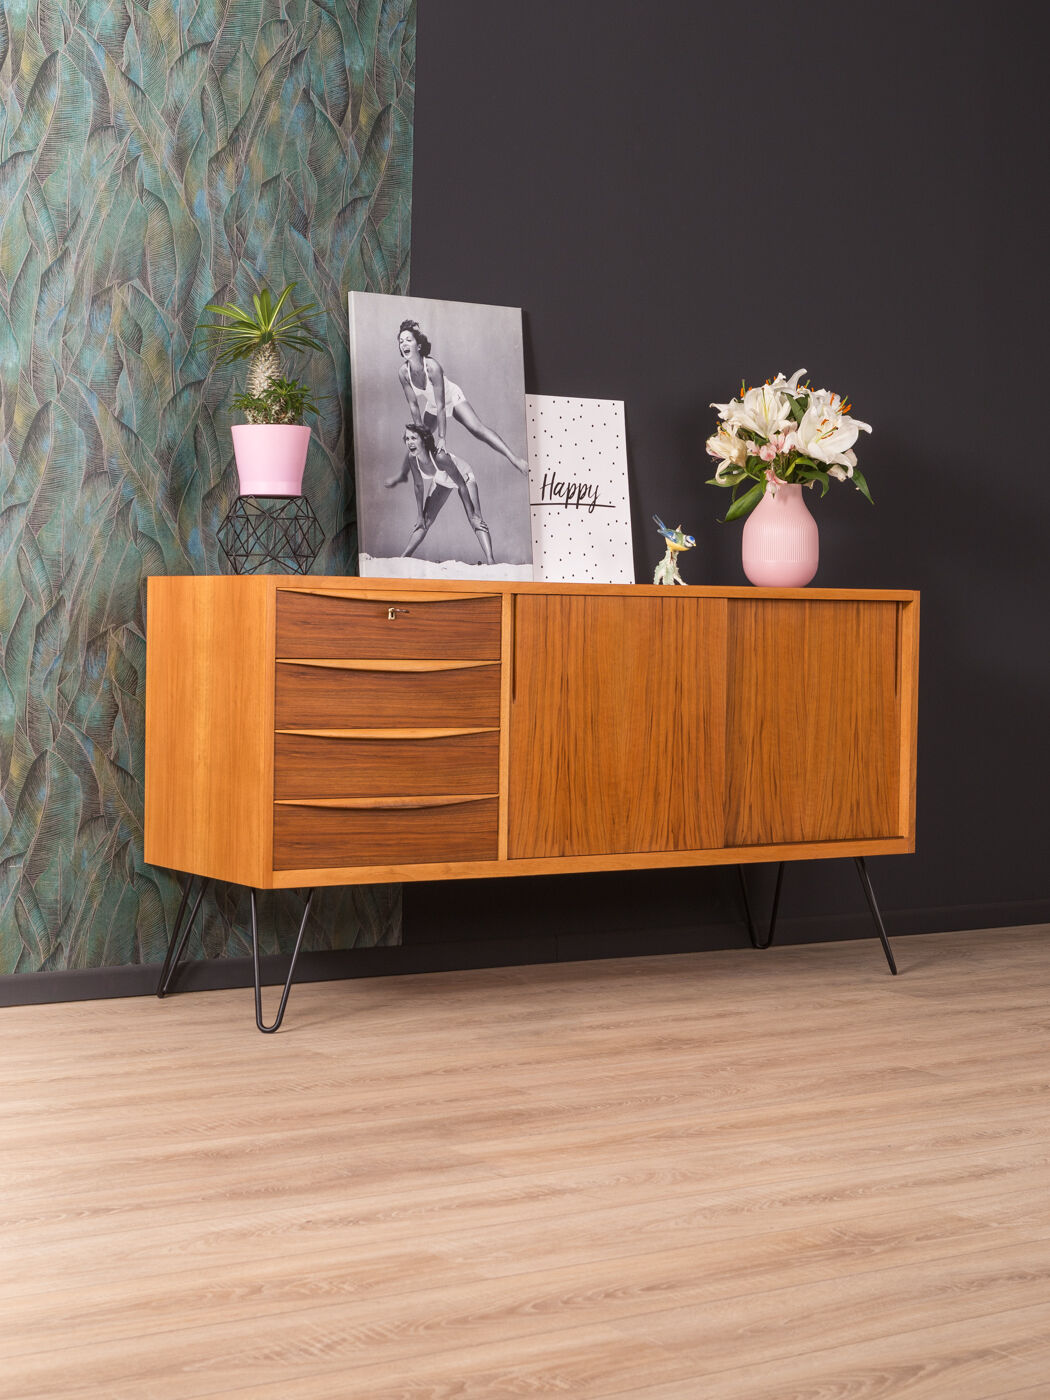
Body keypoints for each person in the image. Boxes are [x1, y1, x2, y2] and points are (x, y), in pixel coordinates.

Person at [396, 319, 530, 475]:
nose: (404, 344)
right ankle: (404, 474)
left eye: (408, 340)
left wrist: (442, 438)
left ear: (418, 346)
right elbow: (413, 405)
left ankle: (515, 459)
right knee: (415, 439)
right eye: (401, 341)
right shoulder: (403, 373)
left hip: (451, 398)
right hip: (433, 404)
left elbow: (441, 405)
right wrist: (420, 433)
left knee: (477, 429)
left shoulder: (432, 367)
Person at [388, 425, 495, 563]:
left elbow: (461, 485)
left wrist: (471, 515)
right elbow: (418, 486)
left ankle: (491, 560)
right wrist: (419, 515)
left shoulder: (440, 457)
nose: (409, 442)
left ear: (424, 440)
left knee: (476, 518)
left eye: (414, 438)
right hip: (442, 480)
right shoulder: (412, 458)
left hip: (463, 477)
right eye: (407, 438)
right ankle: (403, 558)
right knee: (424, 521)